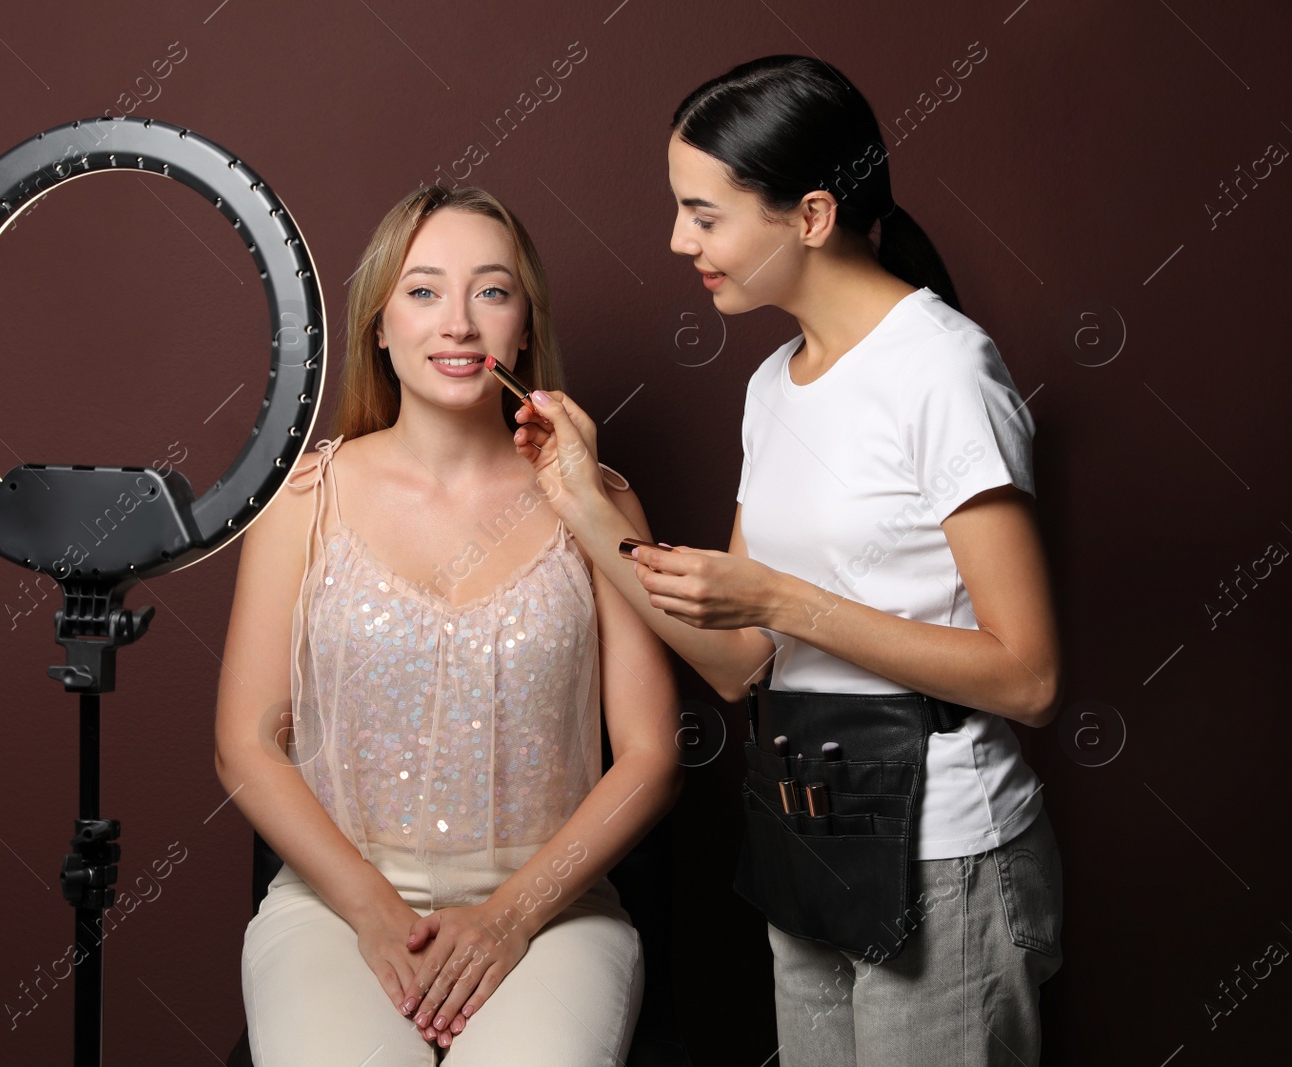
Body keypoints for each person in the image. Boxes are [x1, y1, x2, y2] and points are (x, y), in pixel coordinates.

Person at [509, 55, 1065, 1065]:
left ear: (809, 215)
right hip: (807, 833)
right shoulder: (775, 384)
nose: (680, 241)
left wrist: (784, 598)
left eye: (705, 215)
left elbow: (1027, 676)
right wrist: (584, 509)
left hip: (940, 854)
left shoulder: (942, 369)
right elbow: (739, 662)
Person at [214, 184, 682, 1066]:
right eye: (424, 291)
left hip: (554, 912)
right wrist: (374, 913)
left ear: (525, 328)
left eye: (492, 291)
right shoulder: (302, 505)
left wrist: (511, 918)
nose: (459, 322)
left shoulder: (600, 499)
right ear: (379, 328)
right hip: (334, 905)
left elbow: (654, 755)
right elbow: (246, 744)